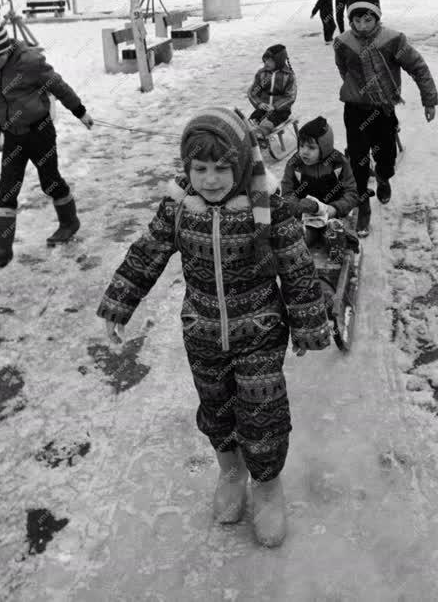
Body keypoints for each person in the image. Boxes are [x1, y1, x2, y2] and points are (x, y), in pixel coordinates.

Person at [97, 108, 331, 547]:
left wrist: (308, 324)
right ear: (187, 168)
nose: (210, 179)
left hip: (260, 328)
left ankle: (266, 486)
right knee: (216, 407)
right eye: (199, 168)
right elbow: (147, 252)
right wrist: (119, 302)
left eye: (222, 168)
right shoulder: (180, 207)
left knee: (263, 414)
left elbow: (297, 266)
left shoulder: (269, 207)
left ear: (240, 164)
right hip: (201, 330)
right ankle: (229, 470)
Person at [0, 21, 94, 268]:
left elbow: (58, 86)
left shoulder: (30, 63)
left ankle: (69, 222)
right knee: (7, 189)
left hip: (39, 132)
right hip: (13, 135)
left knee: (50, 181)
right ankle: (1, 249)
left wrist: (79, 111)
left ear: (6, 50)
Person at [333, 0, 438, 237]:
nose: (362, 26)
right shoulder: (344, 42)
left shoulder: (393, 40)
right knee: (358, 160)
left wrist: (429, 100)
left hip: (383, 110)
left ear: (377, 17)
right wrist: (356, 90)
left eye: (368, 20)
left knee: (386, 156)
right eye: (356, 20)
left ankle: (382, 177)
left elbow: (418, 67)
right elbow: (343, 68)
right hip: (355, 110)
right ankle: (363, 206)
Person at [281, 117, 358, 264]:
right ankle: (303, 235)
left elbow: (352, 193)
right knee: (301, 236)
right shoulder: (294, 164)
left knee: (332, 230)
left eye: (311, 148)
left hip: (332, 215)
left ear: (324, 147)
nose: (304, 152)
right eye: (301, 146)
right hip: (306, 217)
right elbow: (286, 194)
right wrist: (298, 207)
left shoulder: (338, 163)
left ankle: (335, 239)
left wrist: (334, 209)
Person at [247, 44, 297, 141]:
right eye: (265, 60)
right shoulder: (262, 74)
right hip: (264, 108)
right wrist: (259, 103)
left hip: (281, 110)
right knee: (252, 121)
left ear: (278, 61)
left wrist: (275, 106)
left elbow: (290, 96)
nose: (266, 63)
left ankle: (260, 137)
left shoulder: (288, 76)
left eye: (270, 61)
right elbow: (253, 92)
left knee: (268, 123)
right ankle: (249, 137)